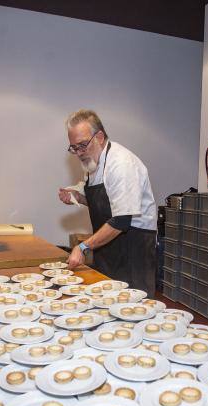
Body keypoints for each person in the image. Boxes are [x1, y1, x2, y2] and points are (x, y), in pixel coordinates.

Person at [58, 109, 158, 296]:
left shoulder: (121, 164)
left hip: (132, 248)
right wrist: (79, 198)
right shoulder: (92, 165)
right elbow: (107, 206)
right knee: (106, 303)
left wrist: (83, 247)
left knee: (134, 306)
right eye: (74, 148)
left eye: (82, 145)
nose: (79, 153)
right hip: (109, 246)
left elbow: (121, 220)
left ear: (100, 137)